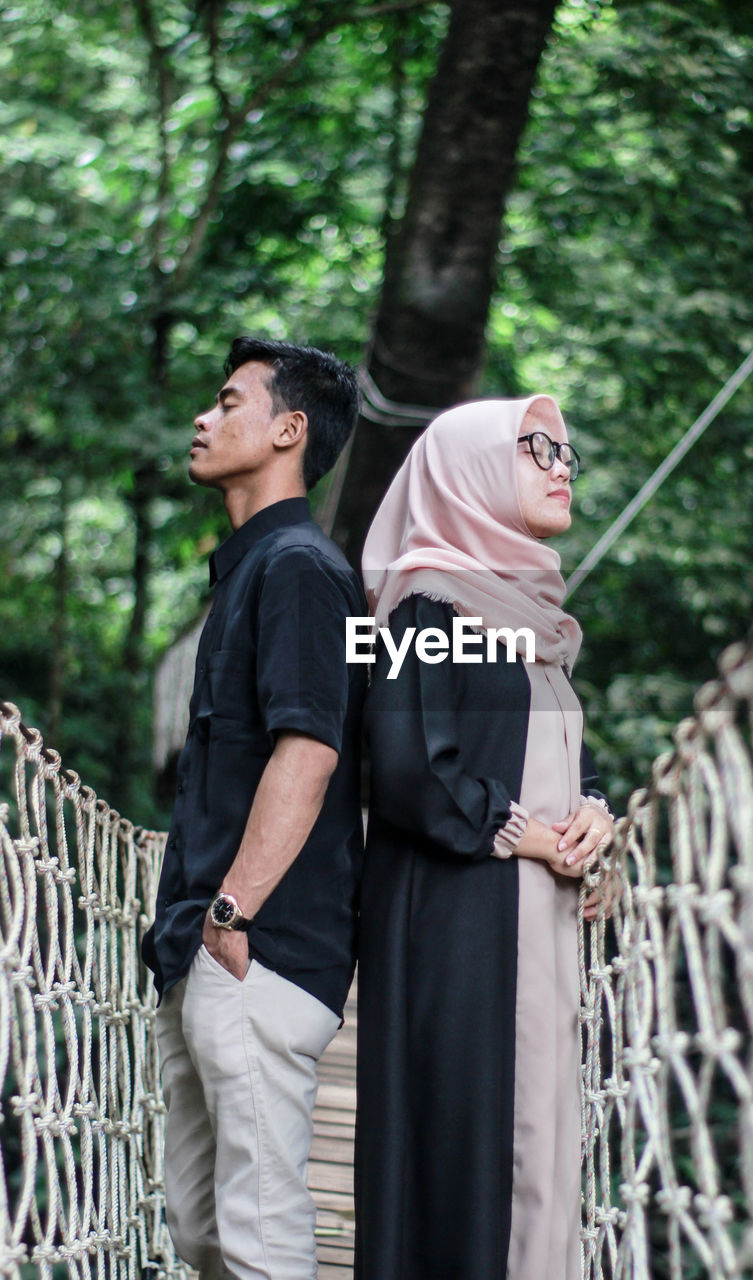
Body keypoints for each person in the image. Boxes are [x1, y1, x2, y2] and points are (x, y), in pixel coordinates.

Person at [354, 395, 616, 1280]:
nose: (560, 464)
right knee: (473, 1153)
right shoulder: (427, 609)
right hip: (460, 925)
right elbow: (404, 769)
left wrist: (593, 812)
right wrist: (534, 838)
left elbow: (552, 759)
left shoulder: (532, 624)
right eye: (532, 447)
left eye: (566, 451)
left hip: (532, 924)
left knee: (537, 1140)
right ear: (465, 471)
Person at [141, 336, 367, 1280]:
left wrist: (234, 915)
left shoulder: (303, 571)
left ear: (287, 429)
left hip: (254, 951)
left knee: (260, 1242)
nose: (203, 416)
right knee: (200, 1235)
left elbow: (309, 749)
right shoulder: (249, 571)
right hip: (201, 945)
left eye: (228, 401)